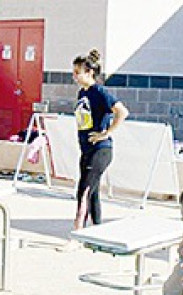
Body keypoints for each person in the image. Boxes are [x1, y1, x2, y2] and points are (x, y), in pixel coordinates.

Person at [72, 49, 129, 230]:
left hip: (101, 149)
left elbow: (122, 111)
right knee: (93, 191)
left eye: (77, 72)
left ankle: (77, 231)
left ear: (89, 73)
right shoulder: (83, 93)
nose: (74, 76)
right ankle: (97, 228)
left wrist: (106, 133)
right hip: (87, 149)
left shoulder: (100, 91)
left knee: (84, 191)